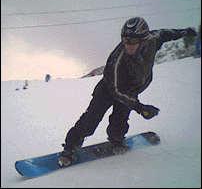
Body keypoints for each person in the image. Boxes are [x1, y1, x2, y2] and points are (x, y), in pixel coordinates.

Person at [58, 17, 197, 166]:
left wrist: (184, 32)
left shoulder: (152, 40)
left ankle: (116, 140)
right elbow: (116, 91)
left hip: (130, 89)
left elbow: (165, 33)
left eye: (133, 40)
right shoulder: (117, 59)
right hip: (108, 89)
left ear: (144, 38)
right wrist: (140, 108)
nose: (128, 44)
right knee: (90, 121)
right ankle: (69, 149)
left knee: (119, 122)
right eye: (125, 39)